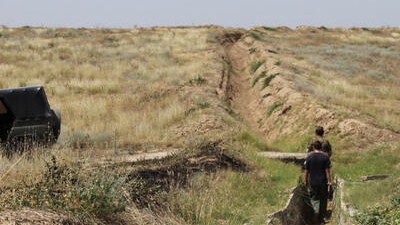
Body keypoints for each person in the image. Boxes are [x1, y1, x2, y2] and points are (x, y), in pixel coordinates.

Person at [304, 141, 333, 224]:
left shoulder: (309, 157)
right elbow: (327, 171)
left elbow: (306, 171)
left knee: (314, 198)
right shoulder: (325, 157)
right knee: (323, 199)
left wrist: (305, 181)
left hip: (312, 182)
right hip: (322, 182)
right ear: (321, 147)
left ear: (313, 147)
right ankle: (321, 217)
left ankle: (315, 212)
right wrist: (329, 182)